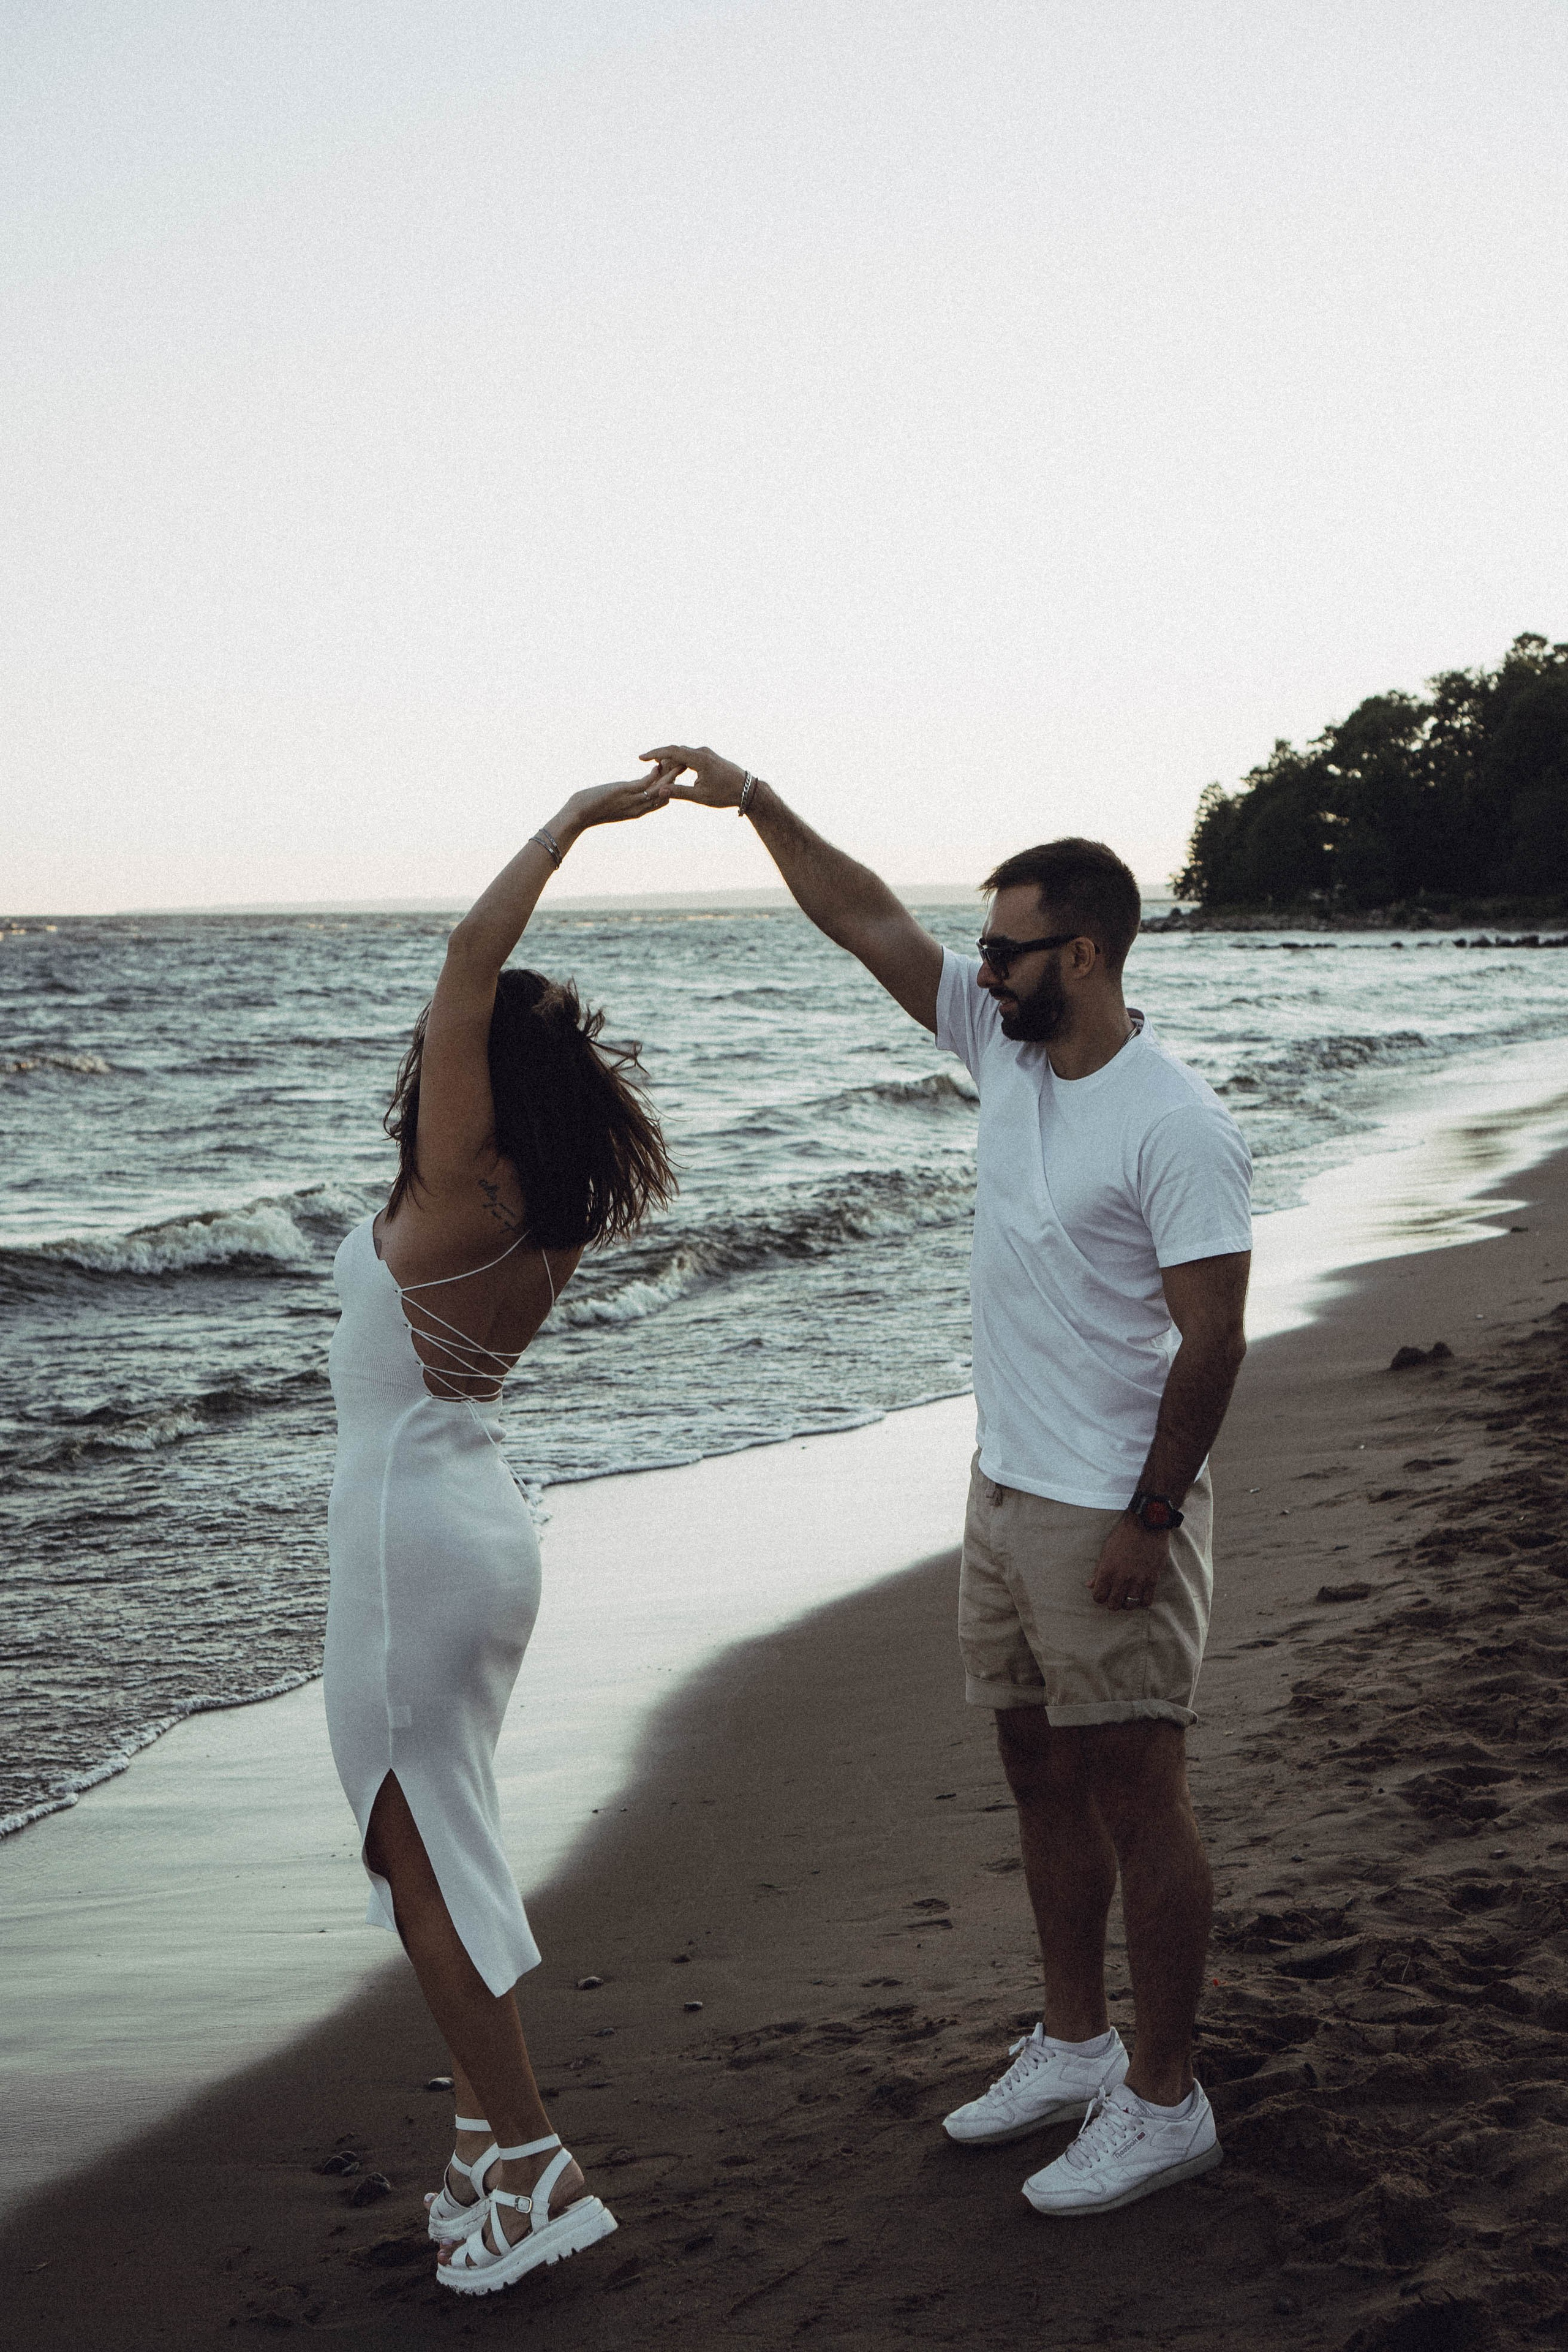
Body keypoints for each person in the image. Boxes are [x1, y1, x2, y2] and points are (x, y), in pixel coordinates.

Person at [644, 744, 1251, 2218]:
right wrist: (756, 804)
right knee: (1035, 1772)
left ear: (1086, 955)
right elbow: (864, 921)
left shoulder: (1171, 1122)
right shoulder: (1006, 1049)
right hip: (999, 1493)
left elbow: (1214, 1336)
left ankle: (1164, 2100)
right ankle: (1068, 2045)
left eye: (1006, 947)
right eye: (981, 947)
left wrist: (1148, 1515)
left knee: (1137, 1790)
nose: (977, 969)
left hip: (1109, 1508)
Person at [323, 770, 678, 2296]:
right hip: (473, 1527)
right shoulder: (541, 1206)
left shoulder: (462, 1188)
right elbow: (477, 997)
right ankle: (483, 2142)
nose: (430, 1039)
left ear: (476, 1072)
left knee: (420, 1858)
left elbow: (468, 961)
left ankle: (534, 2164)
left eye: (452, 1040)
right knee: (442, 1844)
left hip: (418, 1547)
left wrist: (572, 826)